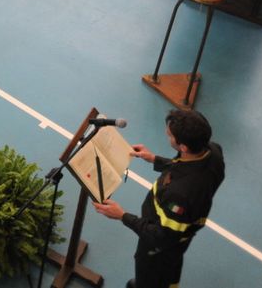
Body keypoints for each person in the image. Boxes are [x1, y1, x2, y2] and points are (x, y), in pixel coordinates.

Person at [93, 109, 225, 288]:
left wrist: (122, 215)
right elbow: (185, 167)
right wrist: (154, 159)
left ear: (183, 147)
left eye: (170, 135)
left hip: (160, 248)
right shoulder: (213, 151)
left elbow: (162, 237)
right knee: (169, 266)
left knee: (152, 274)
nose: (166, 133)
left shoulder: (180, 195)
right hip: (180, 234)